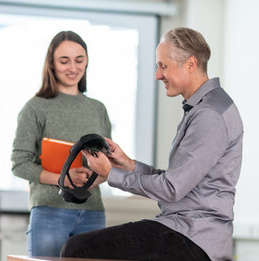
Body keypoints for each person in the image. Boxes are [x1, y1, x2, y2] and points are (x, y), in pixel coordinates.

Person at [61, 27, 243, 261]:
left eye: (163, 66)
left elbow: (172, 188)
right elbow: (177, 180)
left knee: (78, 250)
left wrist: (111, 174)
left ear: (190, 64)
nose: (158, 75)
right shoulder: (207, 107)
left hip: (194, 237)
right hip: (189, 231)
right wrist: (127, 165)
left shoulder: (209, 114)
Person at [11, 31, 112, 257]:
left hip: (92, 212)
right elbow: (19, 164)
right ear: (52, 64)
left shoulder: (98, 109)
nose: (72, 68)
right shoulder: (35, 107)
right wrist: (63, 179)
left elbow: (108, 162)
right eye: (64, 61)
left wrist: (94, 177)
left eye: (79, 60)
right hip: (49, 212)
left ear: (87, 61)